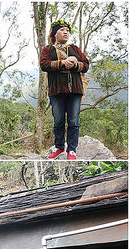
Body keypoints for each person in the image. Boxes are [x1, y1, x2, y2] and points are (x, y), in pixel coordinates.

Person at [40, 19, 89, 160]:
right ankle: (59, 147)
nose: (66, 32)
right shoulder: (48, 50)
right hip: (56, 91)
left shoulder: (75, 49)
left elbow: (85, 65)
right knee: (58, 121)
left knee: (74, 121)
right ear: (55, 33)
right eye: (62, 30)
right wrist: (62, 63)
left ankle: (72, 150)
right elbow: (44, 65)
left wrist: (74, 64)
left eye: (67, 30)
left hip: (75, 91)